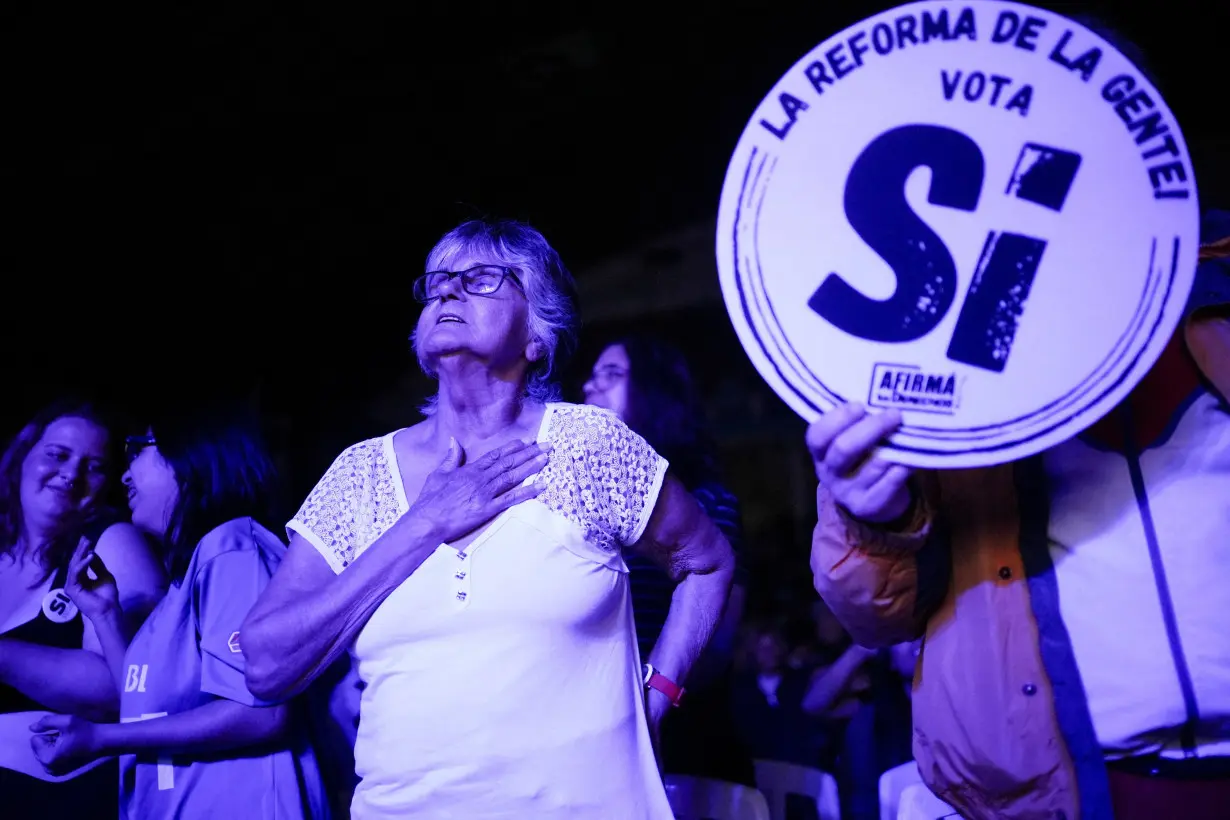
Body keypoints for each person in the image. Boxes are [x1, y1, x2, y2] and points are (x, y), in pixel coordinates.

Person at [240, 218, 736, 819]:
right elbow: (265, 665)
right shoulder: (360, 475)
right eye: (439, 282)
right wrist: (422, 523)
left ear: (537, 336)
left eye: (481, 280)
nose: (448, 291)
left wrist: (658, 693)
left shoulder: (587, 445)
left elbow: (706, 563)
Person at [807, 212, 1230, 820]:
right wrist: (874, 520)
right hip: (1066, 790)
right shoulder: (923, 357)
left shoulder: (1209, 278)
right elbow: (873, 616)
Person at [29, 407, 327, 820]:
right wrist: (105, 614)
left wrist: (100, 738)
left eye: (138, 452)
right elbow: (146, 705)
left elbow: (262, 713)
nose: (124, 476)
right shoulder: (186, 579)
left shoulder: (233, 548)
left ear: (191, 455)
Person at [582, 334, 753, 783]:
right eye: (593, 375)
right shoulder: (580, 497)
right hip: (588, 728)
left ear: (653, 392)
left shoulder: (704, 501)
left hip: (679, 733)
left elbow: (716, 640)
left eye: (612, 375)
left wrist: (652, 699)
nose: (588, 387)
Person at [0, 400, 165, 819]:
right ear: (22, 458)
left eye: (93, 466)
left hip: (58, 798)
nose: (72, 473)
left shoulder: (111, 542)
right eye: (57, 455)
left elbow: (124, 686)